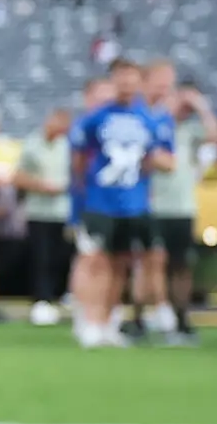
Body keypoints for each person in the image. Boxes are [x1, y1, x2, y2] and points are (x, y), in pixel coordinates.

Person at [64, 72, 160, 349]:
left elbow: (150, 158)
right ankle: (90, 321)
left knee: (121, 263)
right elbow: (78, 158)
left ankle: (109, 321)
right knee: (95, 261)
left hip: (131, 205)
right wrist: (83, 190)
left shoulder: (145, 118)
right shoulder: (96, 118)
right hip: (100, 202)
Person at [139, 60, 209, 343]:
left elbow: (215, 135)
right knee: (152, 261)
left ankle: (180, 317)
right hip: (153, 203)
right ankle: (149, 314)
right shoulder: (152, 121)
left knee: (181, 264)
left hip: (183, 206)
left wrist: (201, 107)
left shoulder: (189, 130)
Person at [15, 105, 72, 325]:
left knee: (60, 257)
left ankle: (58, 297)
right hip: (38, 211)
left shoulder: (67, 146)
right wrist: (41, 186)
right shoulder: (32, 144)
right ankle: (41, 300)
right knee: (41, 258)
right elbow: (18, 177)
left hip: (63, 212)